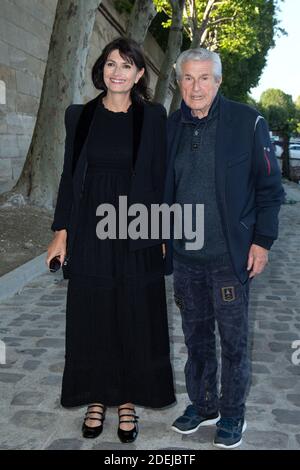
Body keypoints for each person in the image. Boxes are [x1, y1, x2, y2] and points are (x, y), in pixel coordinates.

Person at [46, 37, 175, 443]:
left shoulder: (154, 116)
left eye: (126, 65)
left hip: (137, 228)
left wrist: (165, 233)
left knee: (135, 314)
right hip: (89, 230)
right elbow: (69, 177)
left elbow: (163, 177)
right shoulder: (78, 116)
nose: (116, 72)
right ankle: (95, 398)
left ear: (139, 74)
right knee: (92, 313)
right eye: (110, 64)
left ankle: (127, 403)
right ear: (101, 69)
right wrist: (60, 233)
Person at [164, 48, 284, 449]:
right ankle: (203, 404)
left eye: (204, 79)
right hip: (185, 258)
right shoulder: (171, 127)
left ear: (217, 81)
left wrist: (262, 242)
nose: (195, 88)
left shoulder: (248, 123)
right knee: (195, 337)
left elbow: (270, 189)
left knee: (233, 342)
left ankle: (233, 414)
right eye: (188, 79)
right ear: (179, 82)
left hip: (230, 258)